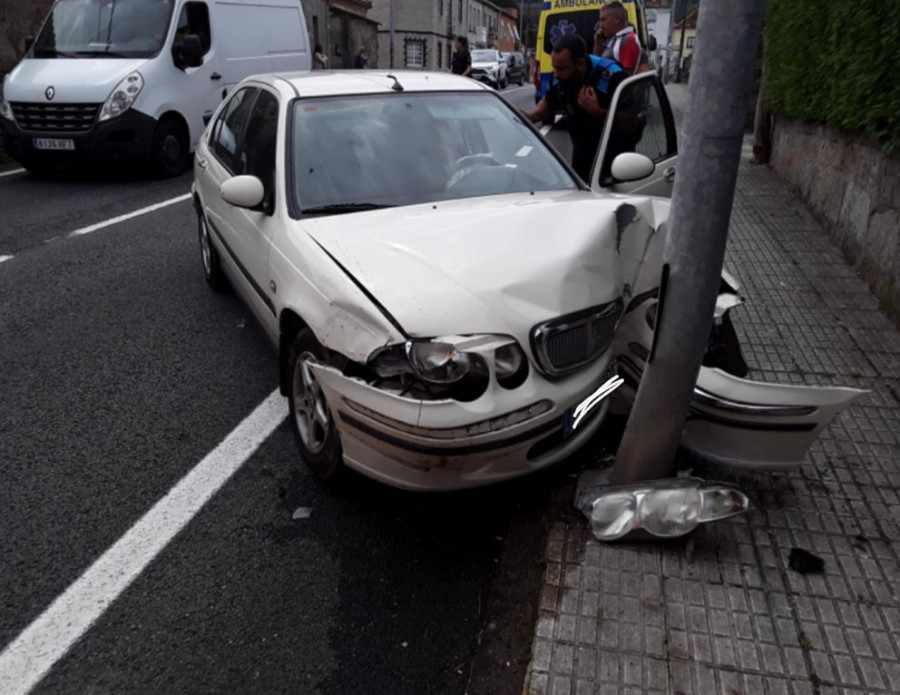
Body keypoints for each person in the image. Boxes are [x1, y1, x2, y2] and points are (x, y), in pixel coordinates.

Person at [525, 34, 627, 181]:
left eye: (560, 69)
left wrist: (599, 112)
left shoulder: (613, 76)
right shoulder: (562, 77)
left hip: (616, 165)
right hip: (581, 158)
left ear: (580, 64)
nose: (556, 74)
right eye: (554, 67)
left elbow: (631, 121)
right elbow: (550, 100)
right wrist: (532, 116)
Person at [593, 2, 649, 76]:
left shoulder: (628, 40)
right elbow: (596, 67)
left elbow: (625, 80)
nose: (601, 25)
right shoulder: (613, 40)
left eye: (603, 20)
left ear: (617, 19)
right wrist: (598, 45)